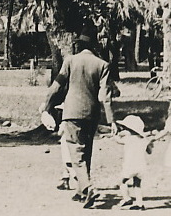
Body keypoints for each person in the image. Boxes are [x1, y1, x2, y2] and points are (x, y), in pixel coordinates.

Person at [40, 35, 117, 207]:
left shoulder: (70, 61)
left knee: (75, 152)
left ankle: (88, 187)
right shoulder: (102, 65)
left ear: (78, 46)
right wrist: (112, 120)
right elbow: (105, 96)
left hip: (72, 112)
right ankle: (81, 191)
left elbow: (56, 86)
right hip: (92, 113)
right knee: (87, 150)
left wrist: (46, 106)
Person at [114, 114, 152, 210]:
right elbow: (150, 151)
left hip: (130, 166)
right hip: (141, 166)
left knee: (121, 182)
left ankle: (127, 198)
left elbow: (117, 140)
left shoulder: (128, 139)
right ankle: (140, 203)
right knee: (137, 184)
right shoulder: (143, 140)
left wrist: (114, 134)